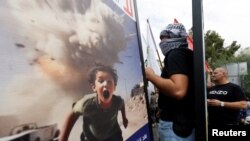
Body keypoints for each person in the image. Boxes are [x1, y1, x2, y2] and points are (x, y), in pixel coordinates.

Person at [145, 22, 195, 141]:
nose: (162, 42)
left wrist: (150, 76)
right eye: (161, 39)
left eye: (165, 38)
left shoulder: (175, 54)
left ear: (176, 36)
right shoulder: (188, 55)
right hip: (185, 123)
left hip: (175, 127)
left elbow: (178, 90)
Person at [60, 64, 128, 141]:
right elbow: (72, 114)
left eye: (109, 81)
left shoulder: (117, 101)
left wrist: (124, 118)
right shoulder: (87, 103)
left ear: (114, 87)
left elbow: (122, 105)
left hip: (112, 134)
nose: (105, 84)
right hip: (91, 137)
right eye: (101, 81)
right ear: (94, 87)